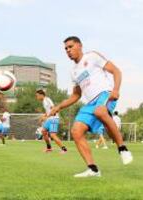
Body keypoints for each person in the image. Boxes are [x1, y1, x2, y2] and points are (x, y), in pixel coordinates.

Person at [50, 36, 133, 177]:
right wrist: (59, 107)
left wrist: (116, 90)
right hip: (90, 103)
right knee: (76, 131)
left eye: (70, 47)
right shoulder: (73, 72)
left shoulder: (92, 56)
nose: (68, 50)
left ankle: (123, 149)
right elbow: (76, 95)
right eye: (66, 49)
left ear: (80, 46)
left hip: (105, 95)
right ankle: (93, 169)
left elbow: (116, 71)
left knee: (100, 111)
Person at [35, 89, 67, 154]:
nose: (37, 97)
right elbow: (48, 111)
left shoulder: (47, 100)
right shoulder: (44, 101)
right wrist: (43, 117)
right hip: (50, 119)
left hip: (54, 119)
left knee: (52, 135)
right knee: (43, 131)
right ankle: (49, 148)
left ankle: (64, 149)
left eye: (37, 96)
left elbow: (54, 109)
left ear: (41, 95)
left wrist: (46, 117)